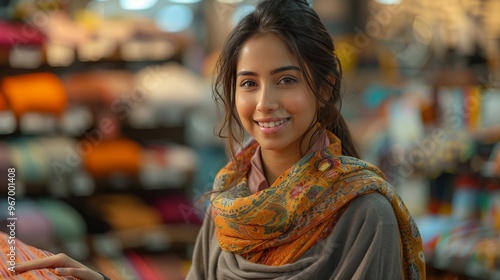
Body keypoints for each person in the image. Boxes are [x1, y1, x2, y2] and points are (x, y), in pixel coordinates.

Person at [14, 0, 425, 279]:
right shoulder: (228, 203)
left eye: (286, 80)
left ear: (324, 88)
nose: (265, 103)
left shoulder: (366, 214)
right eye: (249, 83)